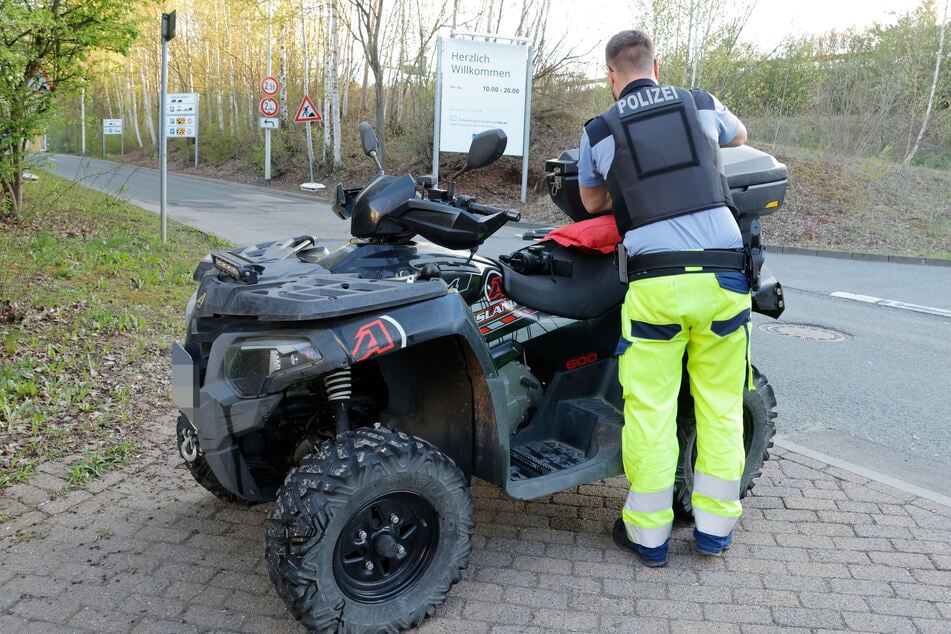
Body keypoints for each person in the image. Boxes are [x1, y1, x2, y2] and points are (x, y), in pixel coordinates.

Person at [577, 29, 751, 567]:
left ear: (611, 76)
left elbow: (589, 203)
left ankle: (648, 538)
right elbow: (739, 136)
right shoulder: (700, 103)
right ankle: (714, 532)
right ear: (658, 64)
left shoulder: (601, 128)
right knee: (720, 405)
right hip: (725, 279)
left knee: (650, 409)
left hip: (657, 284)